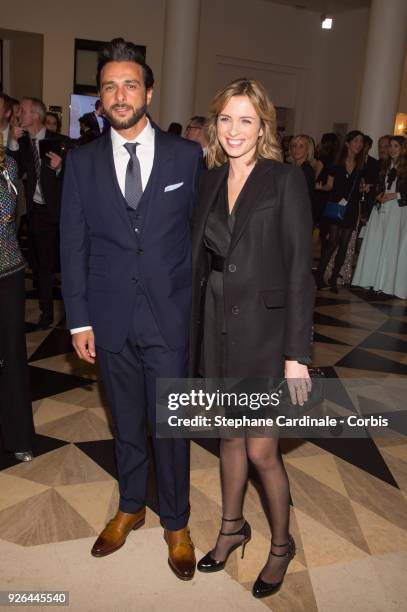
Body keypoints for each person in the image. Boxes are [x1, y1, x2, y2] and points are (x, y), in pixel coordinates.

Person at [60, 38, 202, 580]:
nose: (121, 95)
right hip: (108, 319)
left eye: (131, 85)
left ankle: (178, 523)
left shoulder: (186, 157)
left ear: (149, 92)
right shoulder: (82, 162)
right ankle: (130, 506)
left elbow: (198, 238)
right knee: (125, 422)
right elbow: (72, 245)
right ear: (100, 97)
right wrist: (79, 319)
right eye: (110, 86)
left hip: (168, 318)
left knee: (172, 424)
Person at [190, 78, 315, 599]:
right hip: (217, 322)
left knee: (263, 449)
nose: (234, 129)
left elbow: (298, 271)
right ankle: (231, 527)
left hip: (265, 334)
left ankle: (281, 545)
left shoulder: (285, 179)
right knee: (228, 439)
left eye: (246, 119)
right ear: (215, 124)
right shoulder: (210, 179)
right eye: (225, 118)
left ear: (263, 124)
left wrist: (296, 356)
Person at [8, 97, 69, 328]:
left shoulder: (60, 141)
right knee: (41, 266)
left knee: (65, 265)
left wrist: (60, 168)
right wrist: (12, 142)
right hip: (37, 214)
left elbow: (78, 176)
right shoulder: (22, 144)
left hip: (61, 213)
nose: (18, 115)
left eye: (22, 111)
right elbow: (12, 173)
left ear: (34, 115)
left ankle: (72, 312)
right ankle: (46, 312)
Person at [0, 135, 35, 462]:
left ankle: (19, 436)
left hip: (8, 272)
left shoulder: (8, 166)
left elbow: (14, 215)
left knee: (11, 355)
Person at [352, 135, 407, 299]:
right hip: (381, 207)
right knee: (376, 243)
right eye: (390, 146)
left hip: (397, 209)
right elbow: (378, 185)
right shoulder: (384, 165)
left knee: (391, 246)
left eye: (395, 146)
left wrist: (394, 195)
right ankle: (373, 280)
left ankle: (387, 284)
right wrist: (378, 194)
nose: (391, 149)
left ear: (403, 148)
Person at [315, 130, 365, 291]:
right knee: (332, 243)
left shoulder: (361, 166)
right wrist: (317, 187)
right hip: (336, 207)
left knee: (343, 246)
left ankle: (334, 278)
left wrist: (364, 188)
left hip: (350, 210)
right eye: (356, 141)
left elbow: (360, 187)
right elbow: (329, 186)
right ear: (347, 143)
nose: (359, 144)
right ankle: (319, 276)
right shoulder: (336, 164)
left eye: (361, 142)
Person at [288, 134, 316, 201]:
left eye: (301, 146)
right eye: (294, 145)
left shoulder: (307, 170)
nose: (296, 149)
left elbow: (304, 196)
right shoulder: (291, 167)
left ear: (307, 150)